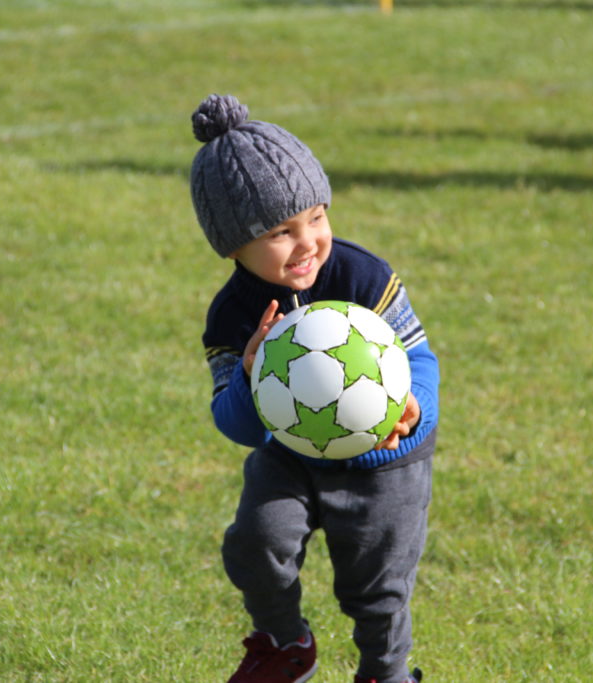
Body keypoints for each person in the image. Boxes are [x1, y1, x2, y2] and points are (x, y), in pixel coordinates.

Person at [188, 93, 439, 683]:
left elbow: (420, 357)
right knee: (254, 545)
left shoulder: (362, 276)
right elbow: (235, 424)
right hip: (290, 457)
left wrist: (415, 409)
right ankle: (284, 643)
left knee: (376, 591)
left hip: (385, 462)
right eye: (280, 231)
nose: (307, 243)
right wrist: (250, 375)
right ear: (232, 244)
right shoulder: (231, 316)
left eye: (317, 218)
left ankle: (386, 673)